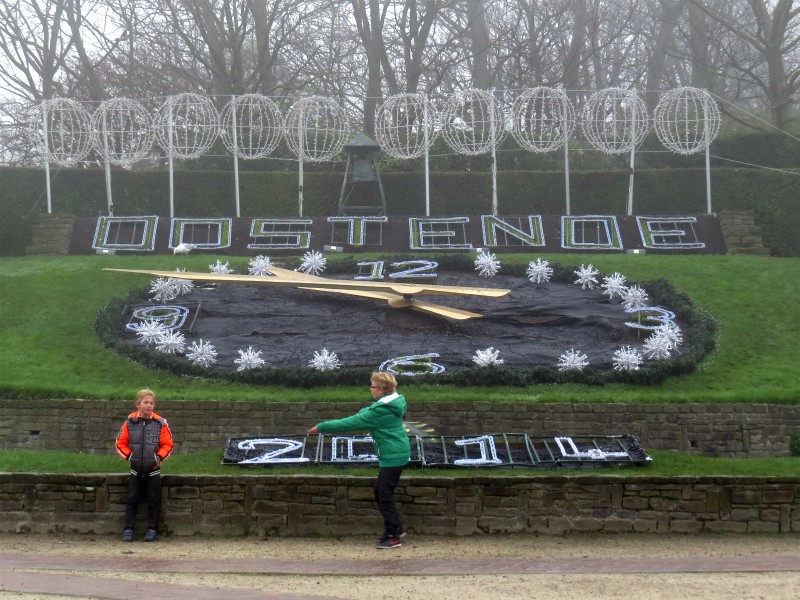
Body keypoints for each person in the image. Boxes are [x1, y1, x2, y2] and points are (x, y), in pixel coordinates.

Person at [307, 371, 410, 549]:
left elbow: (348, 423)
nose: (371, 389)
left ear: (382, 389)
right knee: (380, 492)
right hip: (396, 453)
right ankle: (396, 529)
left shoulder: (381, 410)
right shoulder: (393, 403)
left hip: (393, 456)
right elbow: (373, 412)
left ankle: (393, 536)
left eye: (373, 386)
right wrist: (365, 411)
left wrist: (321, 427)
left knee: (384, 496)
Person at [115, 388, 174, 542]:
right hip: (135, 469)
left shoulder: (160, 423)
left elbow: (168, 444)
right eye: (146, 402)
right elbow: (120, 443)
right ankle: (128, 529)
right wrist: (130, 456)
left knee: (154, 500)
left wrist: (159, 457)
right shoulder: (129, 423)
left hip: (153, 470)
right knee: (132, 499)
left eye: (151, 403)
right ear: (138, 404)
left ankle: (153, 529)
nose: (149, 406)